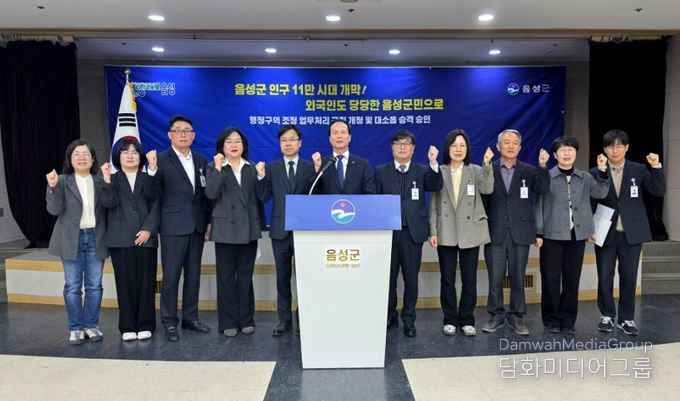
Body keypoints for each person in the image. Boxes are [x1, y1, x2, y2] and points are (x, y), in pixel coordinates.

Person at [590, 129, 665, 336]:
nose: (615, 150)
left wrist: (656, 167)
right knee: (605, 276)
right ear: (604, 149)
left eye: (619, 146)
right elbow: (590, 202)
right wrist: (589, 229)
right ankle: (606, 315)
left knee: (629, 277)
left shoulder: (638, 169)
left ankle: (626, 318)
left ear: (627, 148)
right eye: (611, 146)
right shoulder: (595, 172)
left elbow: (658, 190)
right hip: (605, 232)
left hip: (632, 233)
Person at [536, 136, 609, 335]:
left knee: (572, 279)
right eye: (562, 150)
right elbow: (539, 204)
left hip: (576, 236)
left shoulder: (585, 177)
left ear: (576, 153)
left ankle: (568, 320)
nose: (567, 153)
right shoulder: (547, 176)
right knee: (550, 279)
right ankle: (551, 320)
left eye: (571, 150)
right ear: (555, 154)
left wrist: (602, 170)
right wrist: (538, 232)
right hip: (551, 235)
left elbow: (601, 193)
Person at [147, 115, 210, 342]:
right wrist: (151, 170)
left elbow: (204, 195)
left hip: (197, 226)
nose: (183, 134)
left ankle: (190, 318)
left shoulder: (201, 160)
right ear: (170, 135)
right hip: (172, 226)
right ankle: (169, 321)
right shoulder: (161, 160)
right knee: (171, 277)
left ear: (193, 135)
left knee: (193, 276)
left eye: (187, 130)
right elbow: (151, 193)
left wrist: (208, 222)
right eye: (178, 130)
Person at [481, 129, 550, 336]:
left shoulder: (529, 170)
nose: (510, 146)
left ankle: (517, 316)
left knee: (518, 278)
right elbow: (482, 199)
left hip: (521, 231)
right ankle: (496, 314)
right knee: (495, 278)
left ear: (519, 148)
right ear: (498, 146)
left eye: (515, 143)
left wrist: (543, 166)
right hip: (495, 231)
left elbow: (543, 189)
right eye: (506, 142)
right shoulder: (489, 169)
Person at [375, 129, 442, 338]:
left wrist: (433, 163)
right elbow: (373, 200)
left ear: (413, 149)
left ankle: (409, 319)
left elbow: (436, 185)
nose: (402, 147)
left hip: (413, 234)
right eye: (398, 143)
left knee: (411, 279)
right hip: (388, 233)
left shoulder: (422, 170)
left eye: (406, 143)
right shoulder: (380, 171)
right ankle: (389, 316)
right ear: (392, 148)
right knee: (388, 279)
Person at [429, 129, 494, 337]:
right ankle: (449, 319)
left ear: (467, 149)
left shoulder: (475, 170)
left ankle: (467, 319)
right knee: (447, 278)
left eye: (462, 145)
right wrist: (433, 230)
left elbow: (488, 189)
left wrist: (487, 165)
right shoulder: (439, 170)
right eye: (454, 145)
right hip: (446, 230)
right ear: (447, 149)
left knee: (469, 279)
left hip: (470, 231)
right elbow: (434, 205)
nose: (458, 149)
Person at [46, 139, 110, 345]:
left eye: (86, 154)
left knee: (94, 286)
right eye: (77, 154)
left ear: (93, 159)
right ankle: (75, 328)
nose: (82, 158)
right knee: (73, 286)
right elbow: (54, 210)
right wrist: (52, 188)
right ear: (70, 159)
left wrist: (108, 181)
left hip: (96, 237)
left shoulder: (100, 181)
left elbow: (109, 206)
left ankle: (91, 325)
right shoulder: (61, 180)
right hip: (71, 238)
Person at [206, 127, 265, 337]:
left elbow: (262, 198)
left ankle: (246, 319)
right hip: (225, 230)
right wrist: (219, 169)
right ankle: (228, 321)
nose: (233, 145)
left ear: (243, 145)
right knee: (226, 278)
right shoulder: (213, 166)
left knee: (245, 277)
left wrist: (261, 177)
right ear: (222, 146)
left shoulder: (251, 167)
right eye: (229, 141)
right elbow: (210, 193)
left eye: (237, 141)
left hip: (248, 229)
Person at [101, 138, 160, 341]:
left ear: (141, 157)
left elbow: (156, 203)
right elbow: (108, 203)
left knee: (146, 283)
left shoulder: (149, 177)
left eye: (134, 152)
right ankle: (127, 326)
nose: (130, 156)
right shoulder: (112, 179)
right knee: (124, 284)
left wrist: (148, 229)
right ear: (118, 157)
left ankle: (145, 324)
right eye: (125, 152)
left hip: (146, 238)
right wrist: (106, 180)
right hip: (120, 239)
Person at [260, 125, 315, 336]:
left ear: (299, 143)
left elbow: (316, 196)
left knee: (304, 279)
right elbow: (263, 197)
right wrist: (261, 178)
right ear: (279, 144)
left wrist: (319, 171)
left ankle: (304, 320)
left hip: (303, 231)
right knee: (282, 278)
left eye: (292, 139)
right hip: (280, 231)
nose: (288, 143)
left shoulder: (310, 167)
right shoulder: (272, 167)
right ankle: (284, 321)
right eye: (284, 140)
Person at [311, 118, 375, 194]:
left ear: (349, 137)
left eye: (343, 132)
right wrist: (317, 169)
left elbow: (370, 194)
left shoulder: (363, 165)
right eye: (335, 133)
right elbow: (312, 193)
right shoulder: (321, 164)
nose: (339, 136)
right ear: (330, 139)